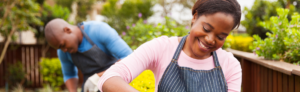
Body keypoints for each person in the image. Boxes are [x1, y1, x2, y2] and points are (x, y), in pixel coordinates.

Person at [98, 0, 242, 92]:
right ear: (194, 17)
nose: (210, 39)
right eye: (206, 29)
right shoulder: (162, 48)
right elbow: (109, 78)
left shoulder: (230, 65)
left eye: (220, 37)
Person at [44, 19, 132, 92]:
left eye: (63, 45)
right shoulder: (63, 52)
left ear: (68, 30)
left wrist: (99, 76)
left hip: (116, 84)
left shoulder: (99, 30)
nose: (64, 50)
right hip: (89, 88)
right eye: (60, 48)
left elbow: (129, 57)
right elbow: (69, 74)